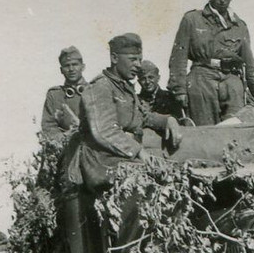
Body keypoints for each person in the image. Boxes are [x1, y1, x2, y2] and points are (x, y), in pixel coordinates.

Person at [69, 33, 180, 192]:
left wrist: (167, 120)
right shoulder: (100, 87)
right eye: (133, 59)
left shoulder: (125, 88)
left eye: (140, 60)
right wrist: (138, 151)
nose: (138, 65)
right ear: (115, 58)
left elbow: (141, 116)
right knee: (155, 180)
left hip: (122, 155)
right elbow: (105, 131)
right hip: (101, 162)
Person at [167, 0, 254, 126]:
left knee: (235, 129)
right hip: (201, 81)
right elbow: (178, 58)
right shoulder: (192, 20)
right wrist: (179, 89)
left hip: (232, 84)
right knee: (204, 130)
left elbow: (250, 64)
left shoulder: (239, 26)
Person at [39, 46, 88, 139]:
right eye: (67, 66)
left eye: (75, 64)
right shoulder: (54, 95)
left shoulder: (94, 90)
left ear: (83, 67)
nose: (71, 69)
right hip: (67, 144)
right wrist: (65, 136)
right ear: (61, 70)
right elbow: (48, 127)